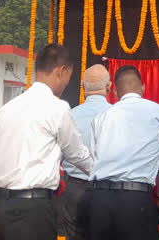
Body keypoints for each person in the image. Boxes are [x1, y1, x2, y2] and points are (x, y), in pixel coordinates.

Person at [0, 44, 92, 240]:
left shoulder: (8, 108)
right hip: (34, 207)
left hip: (3, 205)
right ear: (62, 71)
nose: (66, 84)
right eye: (69, 77)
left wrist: (9, 182)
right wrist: (102, 173)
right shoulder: (57, 108)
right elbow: (76, 154)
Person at [85, 65, 159, 240]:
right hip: (136, 201)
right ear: (143, 87)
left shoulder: (100, 118)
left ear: (114, 91)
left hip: (100, 201)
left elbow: (92, 161)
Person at [55, 64, 112, 239]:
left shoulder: (69, 115)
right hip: (108, 191)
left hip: (73, 190)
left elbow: (57, 157)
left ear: (82, 86)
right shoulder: (118, 116)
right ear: (109, 87)